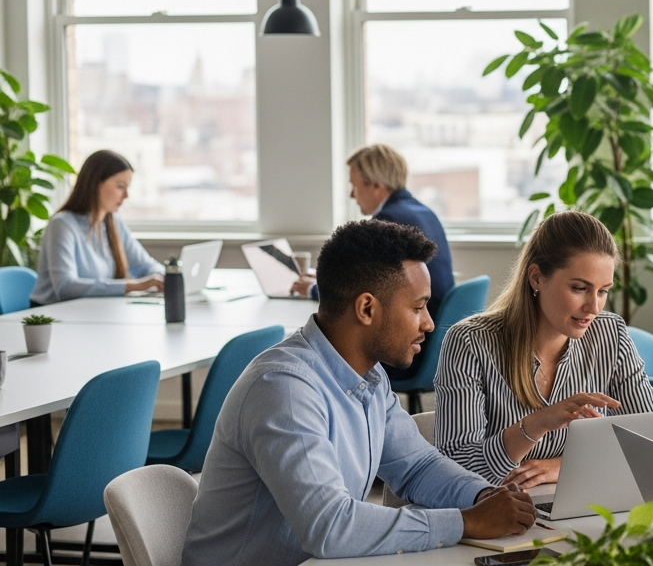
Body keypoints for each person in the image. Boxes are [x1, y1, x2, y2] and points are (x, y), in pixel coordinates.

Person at [182, 220, 536, 566]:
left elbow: (416, 466)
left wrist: (482, 496)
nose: (429, 322)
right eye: (417, 307)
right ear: (367, 309)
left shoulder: (370, 376)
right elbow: (330, 527)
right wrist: (467, 522)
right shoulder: (284, 389)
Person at [435, 211, 653, 488]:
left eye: (603, 291)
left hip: (582, 501)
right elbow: (456, 469)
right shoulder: (470, 343)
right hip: (499, 509)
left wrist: (567, 466)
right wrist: (536, 425)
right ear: (536, 278)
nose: (594, 307)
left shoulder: (610, 333)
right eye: (579, 288)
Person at [294, 144, 453, 381]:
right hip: (433, 343)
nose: (352, 194)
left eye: (354, 185)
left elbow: (370, 294)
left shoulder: (389, 222)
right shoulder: (423, 211)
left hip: (408, 343)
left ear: (376, 185)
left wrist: (313, 289)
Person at [30, 150, 164, 305]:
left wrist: (161, 278)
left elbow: (146, 265)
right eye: (120, 186)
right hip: (53, 316)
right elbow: (65, 287)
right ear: (95, 185)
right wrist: (133, 286)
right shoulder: (62, 224)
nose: (126, 195)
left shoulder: (113, 222)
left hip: (92, 312)